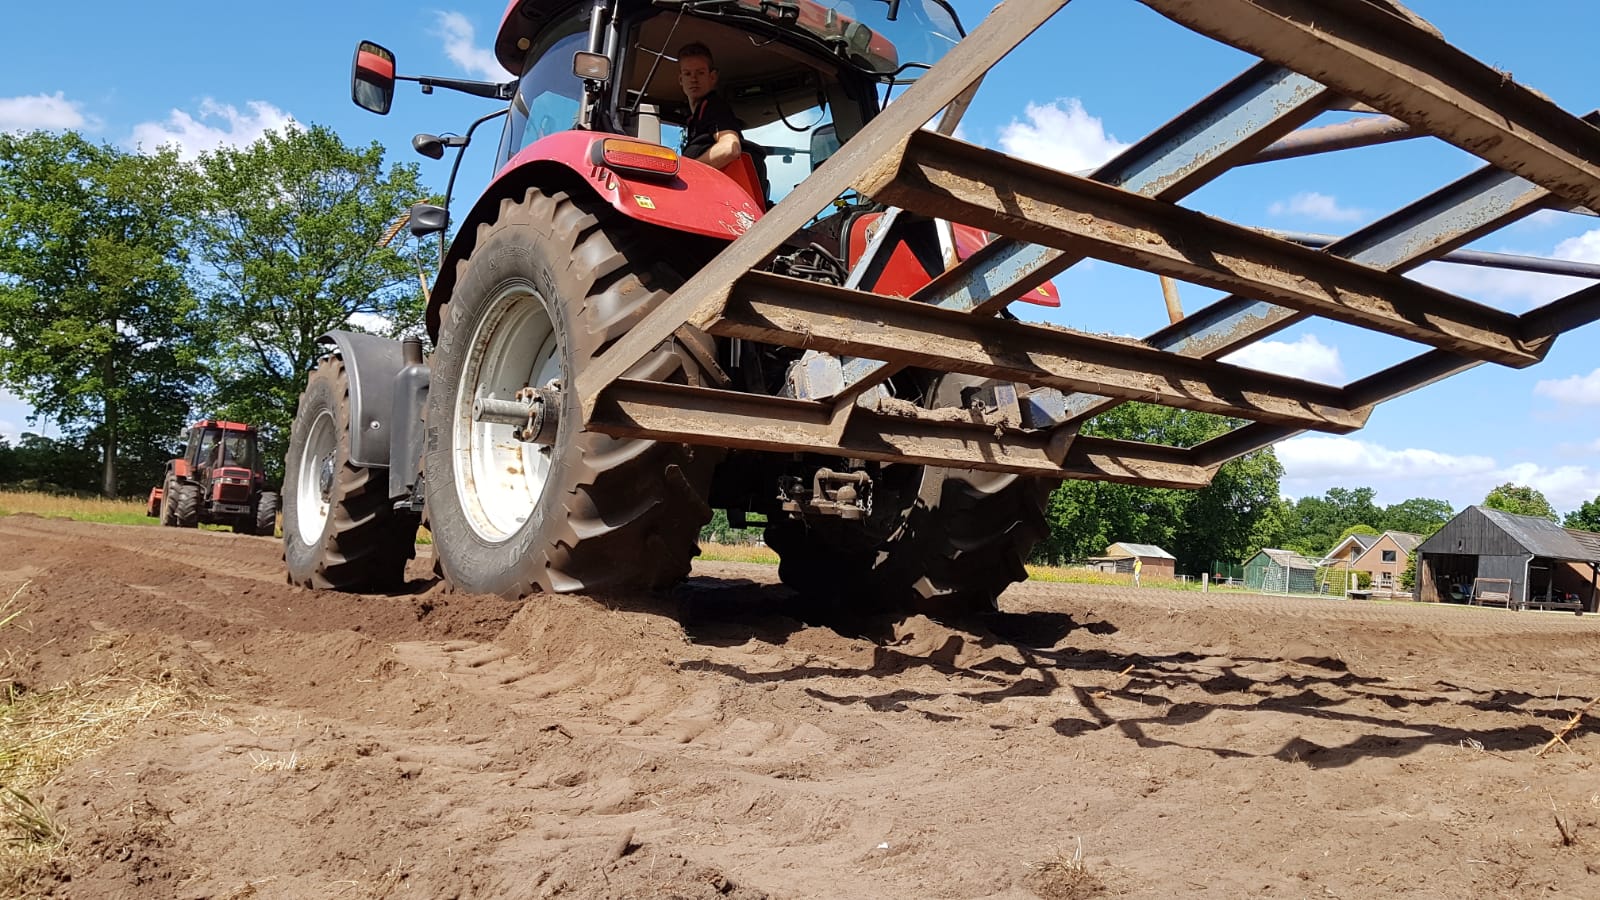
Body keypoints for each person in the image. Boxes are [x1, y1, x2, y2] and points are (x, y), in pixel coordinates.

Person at [676, 43, 768, 199]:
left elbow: (730, 148)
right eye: (687, 74)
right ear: (680, 79)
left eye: (700, 73)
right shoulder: (695, 119)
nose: (694, 79)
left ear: (712, 77)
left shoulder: (714, 106)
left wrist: (687, 172)